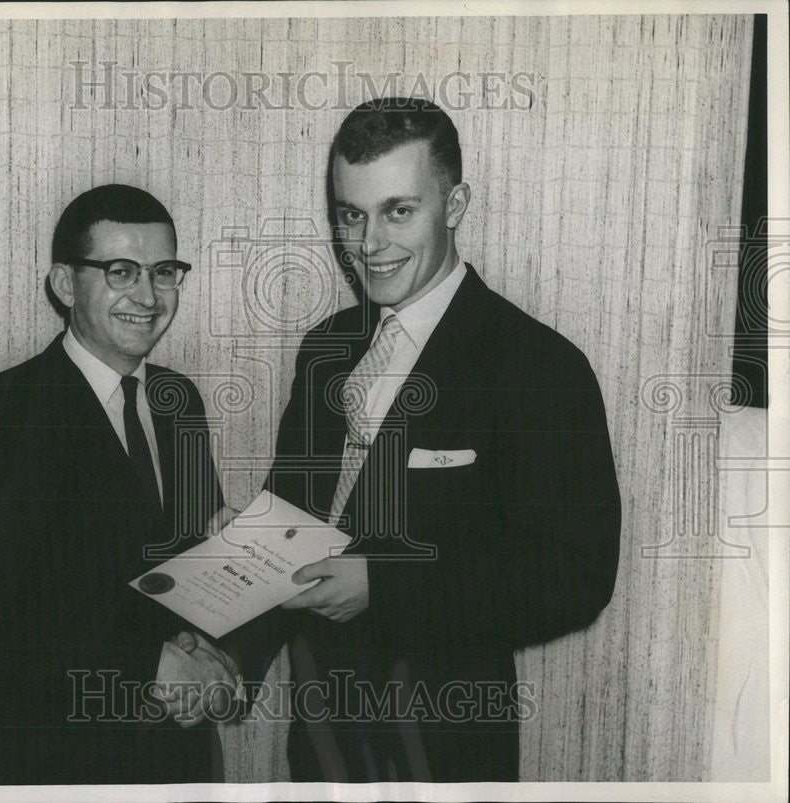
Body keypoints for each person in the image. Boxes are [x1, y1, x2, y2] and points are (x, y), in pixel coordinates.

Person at [253, 97, 621, 782]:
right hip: (318, 742)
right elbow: (294, 518)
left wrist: (383, 586)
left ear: (454, 205)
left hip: (446, 751)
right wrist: (231, 579)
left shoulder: (539, 366)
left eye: (399, 210)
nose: (369, 244)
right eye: (350, 214)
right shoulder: (326, 348)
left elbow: (575, 574)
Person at [0, 184, 240, 784]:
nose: (147, 296)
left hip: (179, 764)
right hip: (50, 765)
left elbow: (175, 584)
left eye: (164, 271)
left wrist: (230, 559)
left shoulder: (180, 403)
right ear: (65, 284)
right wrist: (146, 666)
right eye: (121, 271)